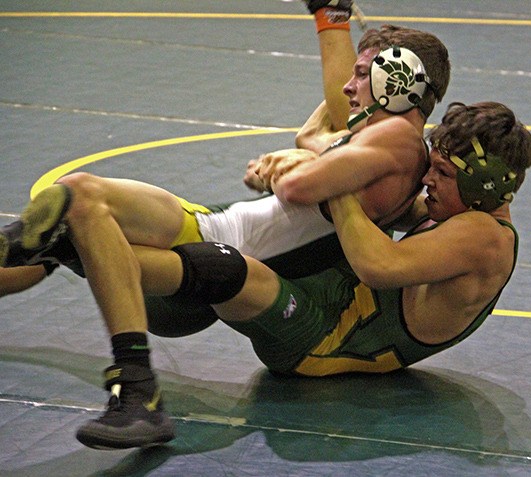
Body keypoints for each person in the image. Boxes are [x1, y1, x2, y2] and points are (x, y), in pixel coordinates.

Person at [0, 5, 452, 450]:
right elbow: (326, 142)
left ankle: (136, 388)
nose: (349, 88)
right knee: (73, 200)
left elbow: (297, 186)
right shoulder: (389, 144)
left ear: (395, 80)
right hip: (208, 229)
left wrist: (300, 161)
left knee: (75, 210)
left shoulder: (395, 139)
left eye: (361, 75)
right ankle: (134, 385)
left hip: (211, 261)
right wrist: (313, 148)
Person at [83, 101, 531, 448]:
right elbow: (379, 187)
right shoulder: (458, 212)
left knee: (221, 268)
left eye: (441, 173)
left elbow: (378, 265)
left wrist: (329, 181)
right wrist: (324, 155)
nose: (427, 181)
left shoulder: (485, 237)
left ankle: (88, 247)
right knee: (218, 247)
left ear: (484, 184)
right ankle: (78, 242)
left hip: (327, 339)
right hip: (336, 297)